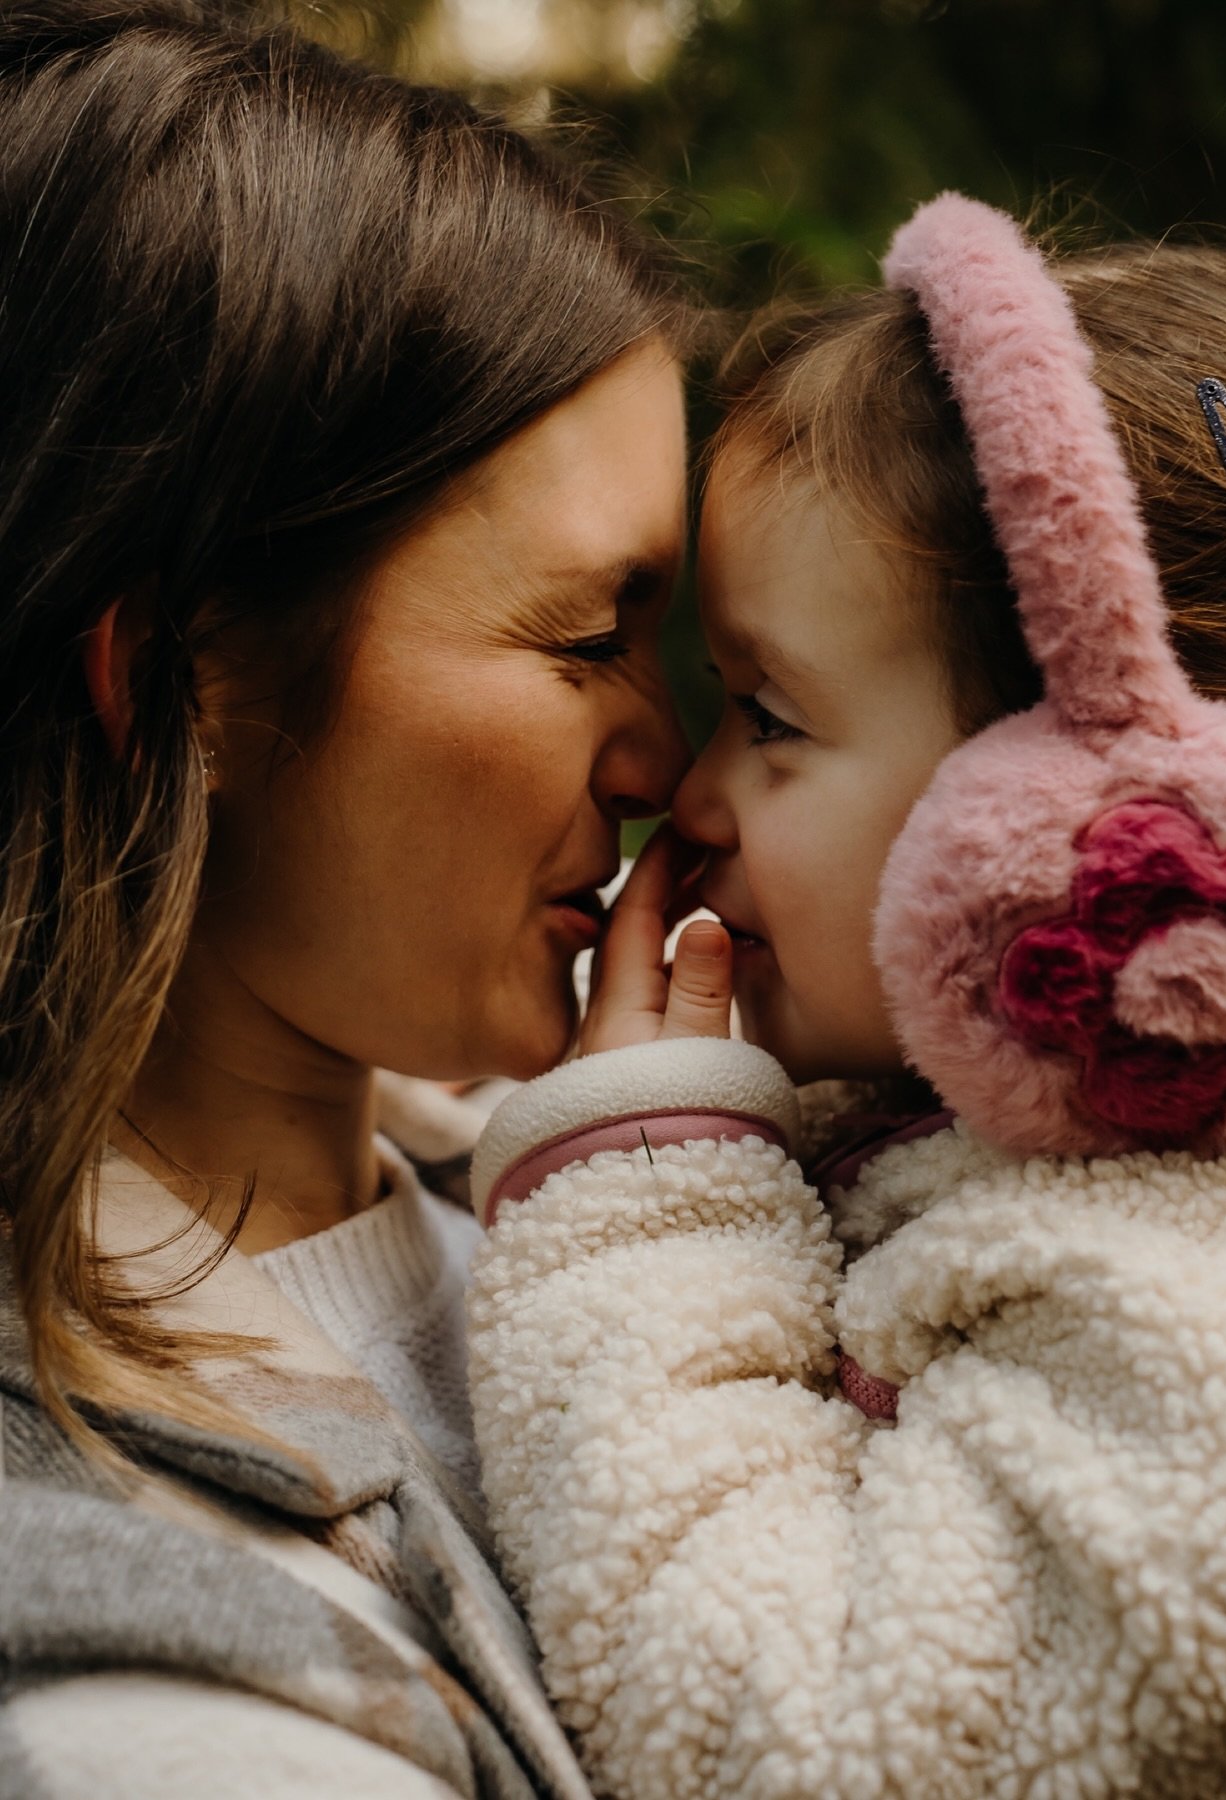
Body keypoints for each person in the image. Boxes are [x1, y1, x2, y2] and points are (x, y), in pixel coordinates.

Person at [466, 194, 1226, 1798]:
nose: (686, 795)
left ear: (1096, 845)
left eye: (768, 716)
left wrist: (644, 1202)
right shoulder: (1094, 1178)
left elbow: (798, 1734)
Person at [0, 2, 696, 1793]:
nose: (670, 761)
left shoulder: (627, 1241)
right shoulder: (139, 1674)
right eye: (585, 638)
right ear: (190, 674)